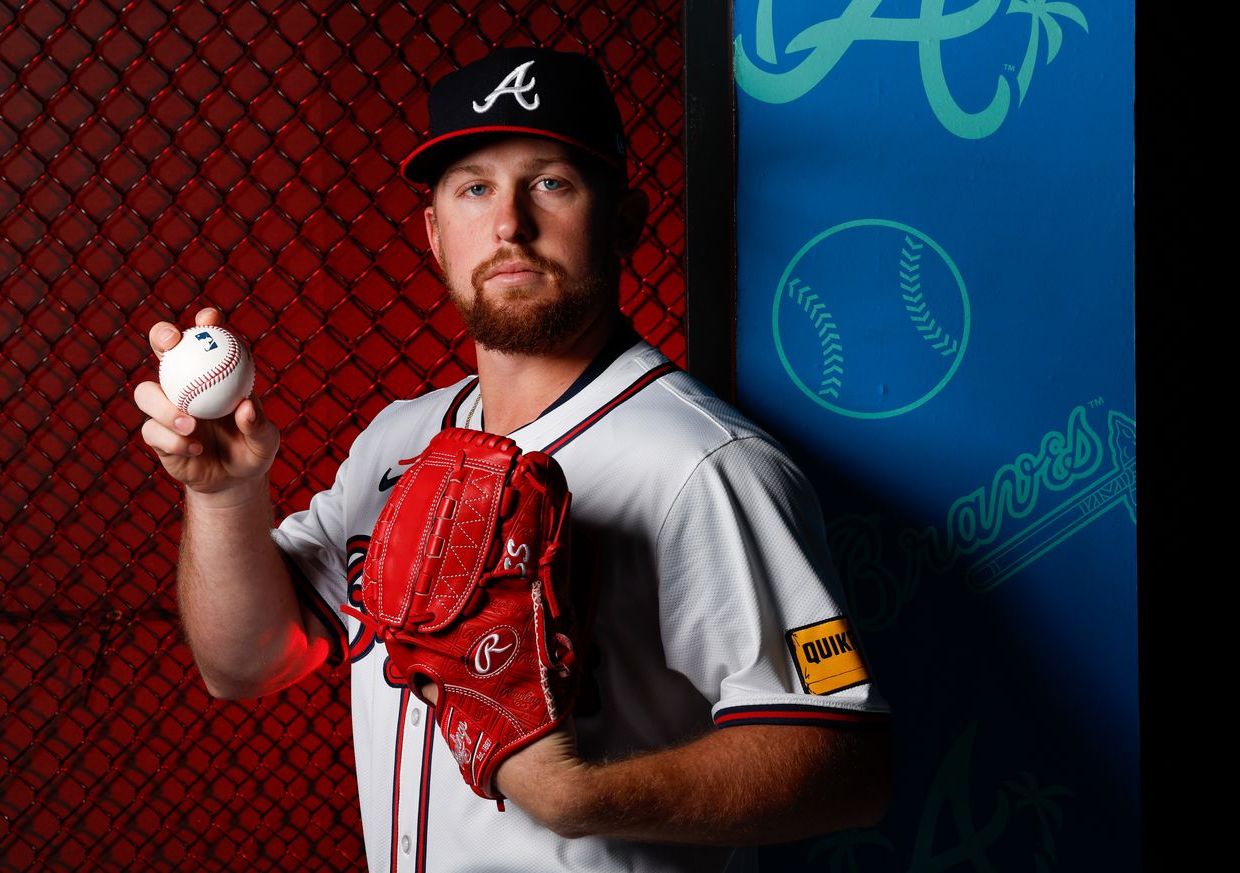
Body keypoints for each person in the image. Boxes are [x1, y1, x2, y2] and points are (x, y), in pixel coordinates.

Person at [136, 47, 891, 872]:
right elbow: (244, 661)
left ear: (625, 219)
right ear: (435, 233)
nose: (509, 225)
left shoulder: (705, 464)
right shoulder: (396, 439)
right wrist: (225, 496)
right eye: (474, 187)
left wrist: (579, 797)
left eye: (552, 183)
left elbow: (846, 765)